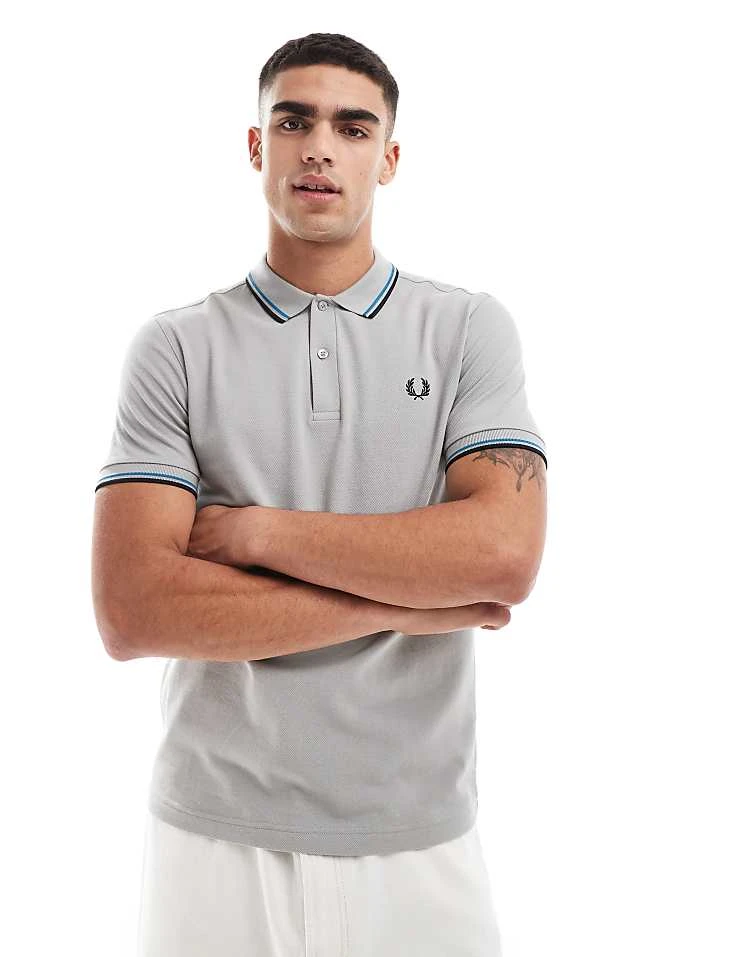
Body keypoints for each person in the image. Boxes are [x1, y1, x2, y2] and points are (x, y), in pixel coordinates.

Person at [91, 31, 548, 957]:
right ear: (256, 145)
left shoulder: (466, 330)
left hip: (419, 835)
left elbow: (502, 554)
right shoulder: (175, 348)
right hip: (213, 838)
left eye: (353, 127)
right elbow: (133, 609)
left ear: (390, 157)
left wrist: (257, 533)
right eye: (293, 122)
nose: (320, 149)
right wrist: (404, 604)